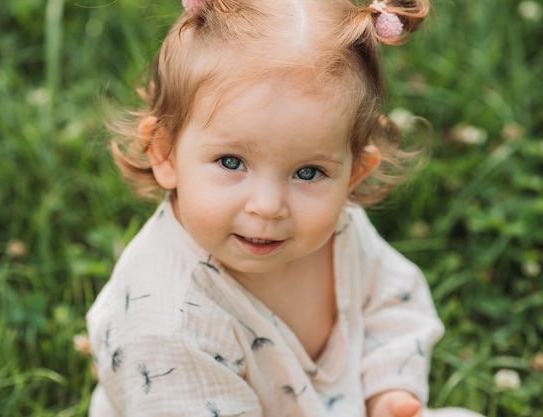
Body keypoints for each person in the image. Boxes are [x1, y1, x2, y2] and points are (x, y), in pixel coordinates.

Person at [87, 0, 485, 416]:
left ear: (353, 175)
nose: (268, 206)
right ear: (166, 152)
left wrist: (386, 391)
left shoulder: (340, 231)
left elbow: (390, 298)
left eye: (308, 172)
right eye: (231, 162)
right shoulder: (167, 324)